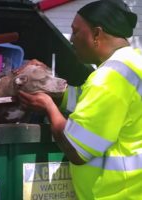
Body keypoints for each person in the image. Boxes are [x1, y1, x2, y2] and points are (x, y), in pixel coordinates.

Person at [18, 0, 142, 199]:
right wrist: (48, 85)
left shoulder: (109, 78)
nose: (72, 39)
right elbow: (90, 102)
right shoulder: (134, 64)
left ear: (96, 34)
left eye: (76, 31)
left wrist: (49, 107)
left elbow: (76, 150)